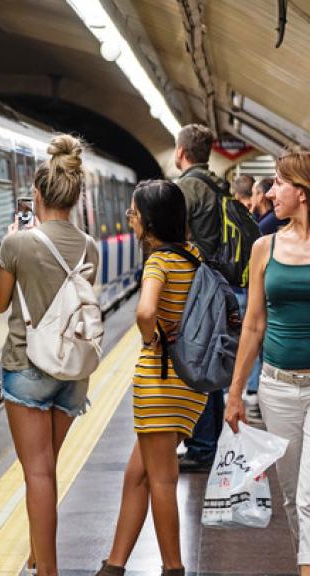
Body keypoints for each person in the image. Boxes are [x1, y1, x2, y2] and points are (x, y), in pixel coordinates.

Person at [0, 134, 98, 576]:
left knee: (37, 473)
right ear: (75, 197)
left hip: (27, 366)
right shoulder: (90, 246)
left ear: (37, 194)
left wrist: (11, 246)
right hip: (73, 371)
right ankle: (37, 552)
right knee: (49, 466)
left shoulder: (18, 244)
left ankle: (47, 571)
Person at [95, 180, 204, 576]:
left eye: (133, 213)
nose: (130, 219)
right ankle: (115, 564)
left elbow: (145, 312)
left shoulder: (158, 262)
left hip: (161, 380)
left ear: (150, 220)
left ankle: (173, 568)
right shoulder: (193, 256)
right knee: (136, 474)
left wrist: (152, 335)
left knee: (161, 478)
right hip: (190, 383)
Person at [225, 147, 310, 576]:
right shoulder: (265, 247)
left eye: (279, 183)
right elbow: (254, 325)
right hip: (278, 387)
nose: (270, 191)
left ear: (303, 191)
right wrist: (236, 393)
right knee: (294, 498)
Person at [173, 124, 228, 472]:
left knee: (199, 363)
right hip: (220, 280)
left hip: (198, 284)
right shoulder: (219, 185)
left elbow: (174, 237)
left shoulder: (186, 188)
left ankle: (203, 446)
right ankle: (211, 441)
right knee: (213, 363)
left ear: (181, 152)